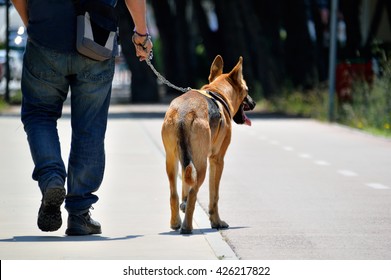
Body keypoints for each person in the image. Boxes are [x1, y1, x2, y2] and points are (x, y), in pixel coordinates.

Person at [11, 0, 153, 235]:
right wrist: (141, 34)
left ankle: (51, 178)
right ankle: (79, 213)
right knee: (90, 125)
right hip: (96, 36)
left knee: (39, 115)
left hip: (46, 36)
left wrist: (31, 24)